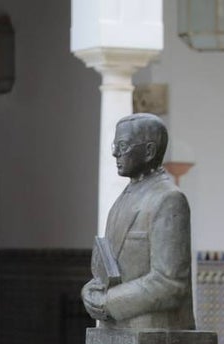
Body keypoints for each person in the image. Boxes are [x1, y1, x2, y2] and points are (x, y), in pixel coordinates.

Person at [80, 113, 196, 330]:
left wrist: (108, 302)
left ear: (149, 151)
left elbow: (170, 283)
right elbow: (110, 268)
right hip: (118, 332)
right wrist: (91, 290)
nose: (115, 153)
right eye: (115, 145)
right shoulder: (122, 198)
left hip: (154, 333)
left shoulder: (168, 199)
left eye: (123, 146)